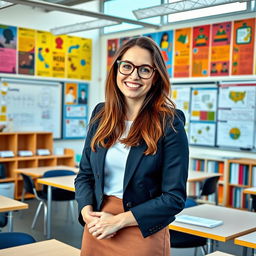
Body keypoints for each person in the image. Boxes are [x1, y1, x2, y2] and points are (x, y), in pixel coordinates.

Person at [75, 36, 189, 256]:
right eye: (127, 66)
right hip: (98, 225)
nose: (134, 76)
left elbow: (174, 198)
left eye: (145, 69)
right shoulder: (101, 114)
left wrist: (119, 221)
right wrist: (86, 211)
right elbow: (85, 175)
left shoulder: (169, 123)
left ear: (155, 77)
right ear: (117, 69)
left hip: (140, 227)